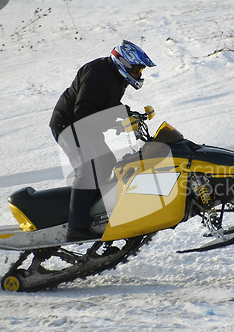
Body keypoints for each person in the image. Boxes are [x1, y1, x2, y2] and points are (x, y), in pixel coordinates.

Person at [49, 40, 156, 241]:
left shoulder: (115, 77)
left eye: (141, 71)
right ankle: (76, 226)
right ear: (123, 63)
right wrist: (116, 122)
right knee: (89, 169)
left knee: (107, 164)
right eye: (137, 70)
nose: (139, 74)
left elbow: (108, 103)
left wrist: (127, 114)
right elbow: (84, 111)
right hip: (68, 126)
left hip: (85, 126)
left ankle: (101, 214)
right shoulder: (97, 73)